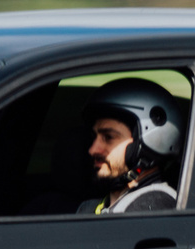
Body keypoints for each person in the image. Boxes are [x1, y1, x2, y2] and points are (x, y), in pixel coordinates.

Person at [75, 77, 184, 214]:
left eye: (109, 137)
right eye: (94, 137)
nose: (92, 150)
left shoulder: (152, 208)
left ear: (146, 146)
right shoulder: (92, 207)